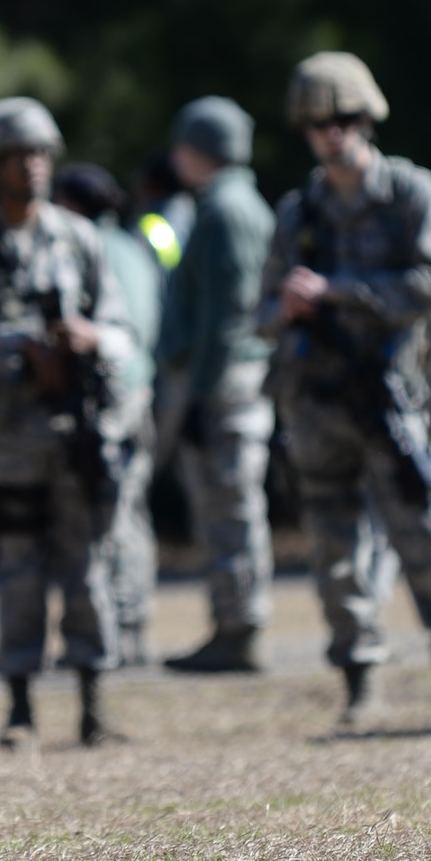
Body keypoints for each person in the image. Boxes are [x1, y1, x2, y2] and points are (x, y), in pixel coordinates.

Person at [257, 52, 431, 728]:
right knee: (335, 554)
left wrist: (336, 291)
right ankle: (360, 684)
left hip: (390, 402)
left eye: (341, 120)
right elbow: (261, 313)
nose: (329, 133)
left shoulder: (409, 195)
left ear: (365, 120)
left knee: (425, 535)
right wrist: (289, 306)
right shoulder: (298, 212)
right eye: (316, 123)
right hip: (316, 404)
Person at [0, 98, 136, 748]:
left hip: (77, 436)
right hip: (10, 441)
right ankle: (19, 706)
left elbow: (125, 332)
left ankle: (94, 704)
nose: (34, 166)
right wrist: (18, 345)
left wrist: (89, 338)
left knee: (88, 569)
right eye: (19, 156)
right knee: (18, 571)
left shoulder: (80, 239)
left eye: (42, 153)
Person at [156, 97, 278, 675]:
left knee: (228, 505)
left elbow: (227, 315)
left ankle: (239, 628)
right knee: (226, 506)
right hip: (229, 377)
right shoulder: (233, 205)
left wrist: (201, 392)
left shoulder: (225, 211)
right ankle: (232, 622)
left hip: (224, 382)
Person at [54, 162, 162, 666]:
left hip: (109, 399)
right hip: (142, 390)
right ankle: (135, 624)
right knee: (132, 511)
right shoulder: (139, 248)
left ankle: (113, 628)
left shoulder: (81, 249)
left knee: (105, 515)